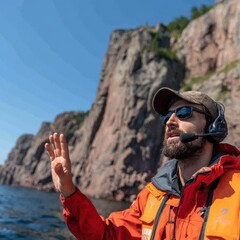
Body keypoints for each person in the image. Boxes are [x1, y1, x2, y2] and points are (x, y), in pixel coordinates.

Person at [45, 87, 240, 240]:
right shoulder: (153, 195)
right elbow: (106, 235)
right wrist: (68, 190)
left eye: (184, 112)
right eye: (166, 116)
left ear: (213, 127)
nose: (170, 121)